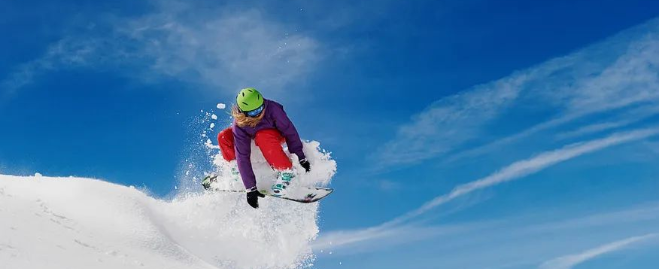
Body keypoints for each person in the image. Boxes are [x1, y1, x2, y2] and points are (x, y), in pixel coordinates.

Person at [202, 88, 311, 209]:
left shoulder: (273, 109)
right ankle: (236, 171)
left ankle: (286, 172)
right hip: (253, 138)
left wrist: (301, 157)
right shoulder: (239, 125)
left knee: (262, 136)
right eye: (254, 112)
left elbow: (290, 132)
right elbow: (242, 155)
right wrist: (250, 188)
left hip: (273, 136)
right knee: (223, 136)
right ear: (244, 113)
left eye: (261, 108)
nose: (260, 113)